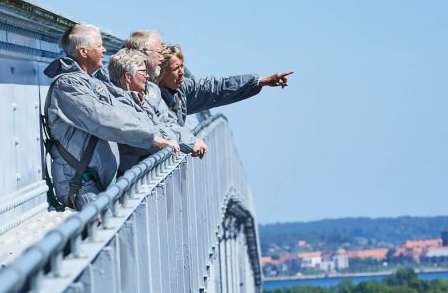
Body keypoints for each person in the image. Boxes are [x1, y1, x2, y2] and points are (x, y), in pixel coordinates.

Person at [42, 24, 179, 210]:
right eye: (99, 46)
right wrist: (151, 138)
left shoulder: (90, 82)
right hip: (82, 184)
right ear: (83, 51)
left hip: (96, 183)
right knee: (109, 231)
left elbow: (122, 111)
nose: (104, 50)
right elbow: (104, 118)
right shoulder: (68, 86)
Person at [107, 48, 207, 173]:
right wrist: (190, 143)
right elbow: (148, 132)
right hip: (132, 183)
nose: (147, 76)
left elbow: (167, 122)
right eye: (143, 72)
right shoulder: (118, 103)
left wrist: (190, 140)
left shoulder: (144, 95)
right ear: (128, 76)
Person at [156, 43, 293, 125]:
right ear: (161, 73)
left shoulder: (182, 88)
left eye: (182, 67)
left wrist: (261, 81)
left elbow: (216, 88)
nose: (182, 73)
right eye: (175, 69)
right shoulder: (151, 97)